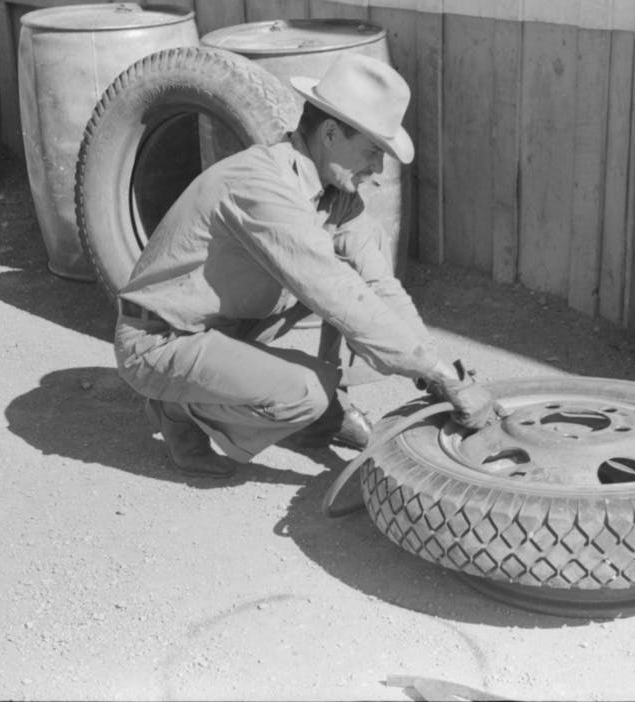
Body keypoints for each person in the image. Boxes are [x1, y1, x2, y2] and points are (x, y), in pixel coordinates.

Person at [114, 52, 499, 478]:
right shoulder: (260, 187)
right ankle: (177, 411)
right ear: (331, 133)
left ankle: (278, 397)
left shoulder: (337, 195)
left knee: (352, 280)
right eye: (373, 151)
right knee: (307, 394)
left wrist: (436, 374)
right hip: (160, 338)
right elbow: (332, 290)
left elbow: (379, 286)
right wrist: (440, 375)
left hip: (224, 325)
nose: (377, 169)